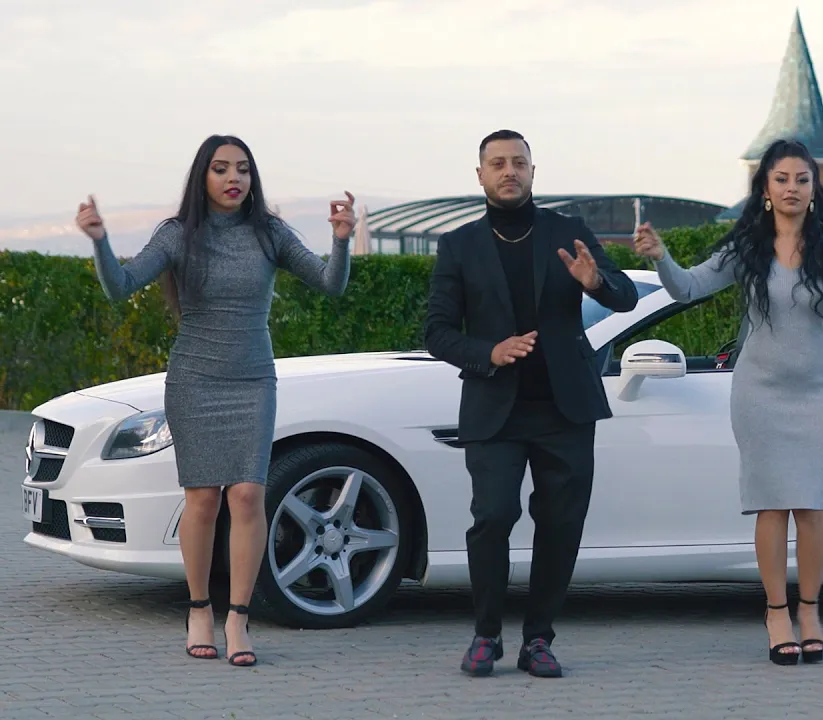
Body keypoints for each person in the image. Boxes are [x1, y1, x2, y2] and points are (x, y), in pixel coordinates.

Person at [632, 139, 823, 666]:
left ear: (814, 190)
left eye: (802, 180)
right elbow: (688, 288)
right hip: (758, 396)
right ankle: (775, 614)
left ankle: (809, 612)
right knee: (772, 506)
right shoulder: (747, 249)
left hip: (813, 396)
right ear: (765, 189)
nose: (792, 188)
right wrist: (662, 258)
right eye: (782, 179)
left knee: (811, 507)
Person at [75, 134, 355, 667]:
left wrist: (341, 240)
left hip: (252, 380)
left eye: (243, 169)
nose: (234, 178)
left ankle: (238, 618)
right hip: (195, 380)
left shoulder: (269, 233)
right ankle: (200, 608)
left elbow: (330, 284)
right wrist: (100, 241)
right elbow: (120, 286)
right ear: (202, 176)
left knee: (247, 495)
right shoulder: (178, 235)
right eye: (222, 168)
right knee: (203, 498)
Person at [424, 129, 638, 678]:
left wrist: (596, 282)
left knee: (561, 525)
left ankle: (539, 639)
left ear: (533, 171)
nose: (509, 171)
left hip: (565, 408)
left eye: (518, 162)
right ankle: (486, 634)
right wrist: (489, 352)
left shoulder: (568, 232)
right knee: (492, 517)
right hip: (495, 408)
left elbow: (625, 296)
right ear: (480, 175)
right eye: (497, 163)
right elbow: (437, 332)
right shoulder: (459, 245)